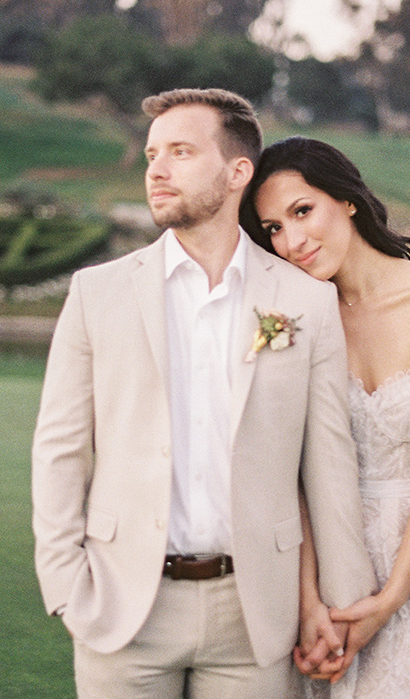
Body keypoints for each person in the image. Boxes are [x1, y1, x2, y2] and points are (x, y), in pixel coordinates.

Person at [32, 90, 377, 699]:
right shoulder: (97, 293)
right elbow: (60, 449)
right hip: (123, 606)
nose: (156, 171)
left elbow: (328, 466)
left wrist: (340, 604)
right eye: (151, 156)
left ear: (237, 171)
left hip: (256, 617)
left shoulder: (304, 300)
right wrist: (64, 583)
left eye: (181, 152)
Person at [241, 135, 410, 698]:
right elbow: (282, 467)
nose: (292, 240)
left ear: (347, 198)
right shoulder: (284, 318)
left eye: (303, 211)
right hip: (319, 569)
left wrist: (390, 598)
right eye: (273, 228)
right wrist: (309, 605)